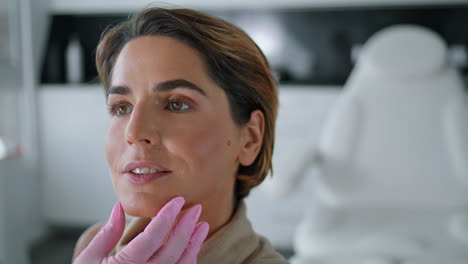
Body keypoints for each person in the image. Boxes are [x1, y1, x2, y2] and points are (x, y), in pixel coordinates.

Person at [72, 7, 287, 264]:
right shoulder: (94, 248)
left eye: (177, 104)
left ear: (250, 138)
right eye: (122, 107)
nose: (134, 132)